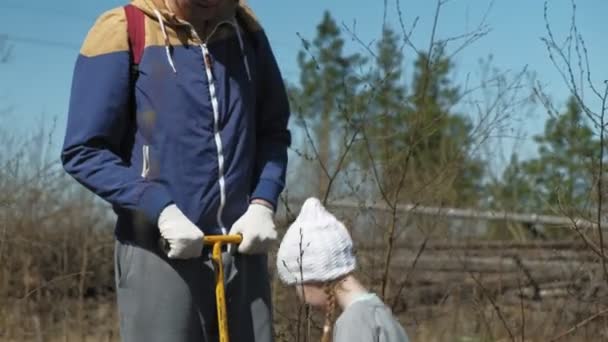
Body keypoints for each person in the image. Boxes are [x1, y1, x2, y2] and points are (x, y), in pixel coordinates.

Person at [61, 0, 290, 341]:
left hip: (243, 253)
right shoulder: (122, 30)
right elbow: (84, 150)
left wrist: (263, 201)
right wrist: (159, 208)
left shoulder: (245, 28)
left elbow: (273, 131)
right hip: (161, 255)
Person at [276, 198, 410, 342]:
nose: (299, 296)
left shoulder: (354, 323)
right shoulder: (382, 314)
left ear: (313, 278)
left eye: (296, 285)